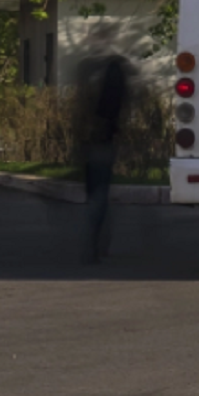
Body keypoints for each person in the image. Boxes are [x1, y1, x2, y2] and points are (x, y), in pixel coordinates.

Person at [75, 26, 136, 265]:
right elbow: (124, 101)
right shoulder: (116, 66)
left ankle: (95, 241)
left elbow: (80, 103)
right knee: (99, 191)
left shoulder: (89, 67)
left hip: (93, 137)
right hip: (103, 136)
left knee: (95, 191)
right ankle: (98, 241)